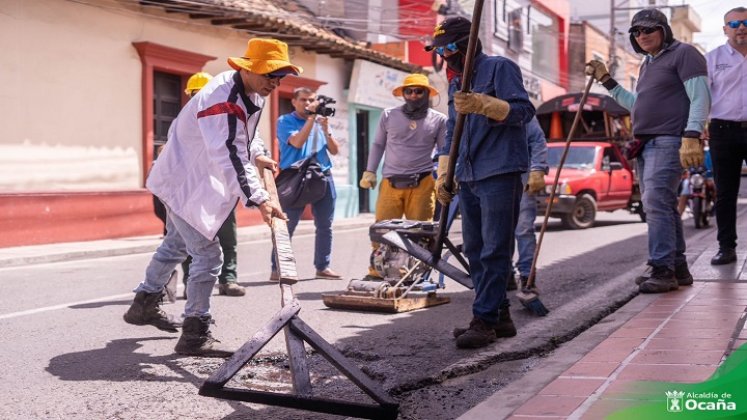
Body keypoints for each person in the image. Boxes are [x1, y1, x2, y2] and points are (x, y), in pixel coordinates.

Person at [123, 38, 296, 356]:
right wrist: (259, 198)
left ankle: (144, 303)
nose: (275, 82)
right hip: (183, 182)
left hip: (191, 180)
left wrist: (257, 155)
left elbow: (247, 134)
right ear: (249, 68)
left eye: (279, 77)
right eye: (270, 74)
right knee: (208, 254)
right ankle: (195, 333)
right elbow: (228, 153)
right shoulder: (224, 99)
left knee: (175, 244)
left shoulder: (248, 91)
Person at [426, 16, 536, 349]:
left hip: (500, 169)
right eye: (439, 50)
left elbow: (523, 111)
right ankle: (500, 314)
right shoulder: (455, 82)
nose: (444, 55)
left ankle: (484, 320)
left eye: (448, 48)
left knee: (494, 248)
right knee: (473, 248)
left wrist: (486, 104)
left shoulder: (500, 68)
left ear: (466, 44)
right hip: (469, 172)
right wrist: (446, 169)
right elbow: (451, 131)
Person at [586, 8, 710, 293]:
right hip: (646, 142)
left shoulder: (684, 53)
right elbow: (637, 104)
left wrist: (691, 134)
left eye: (648, 29)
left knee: (655, 204)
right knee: (663, 205)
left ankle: (662, 269)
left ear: (664, 30)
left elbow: (700, 95)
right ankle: (677, 268)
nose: (642, 36)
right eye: (637, 32)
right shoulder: (648, 64)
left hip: (668, 139)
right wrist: (607, 81)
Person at [359, 73, 447, 277]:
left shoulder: (440, 120)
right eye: (409, 91)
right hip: (390, 183)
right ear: (403, 94)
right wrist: (370, 171)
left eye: (419, 91)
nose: (414, 95)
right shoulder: (388, 115)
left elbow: (444, 152)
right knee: (383, 231)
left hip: (423, 183)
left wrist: (444, 178)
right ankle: (377, 271)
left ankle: (417, 273)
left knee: (420, 234)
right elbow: (378, 144)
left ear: (427, 94)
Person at [270, 87, 341, 281]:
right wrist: (311, 118)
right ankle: (278, 268)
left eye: (311, 100)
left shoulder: (319, 121)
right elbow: (297, 143)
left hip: (323, 174)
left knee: (325, 224)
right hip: (295, 176)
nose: (308, 103)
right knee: (287, 224)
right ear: (294, 101)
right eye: (303, 100)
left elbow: (335, 150)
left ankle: (323, 266)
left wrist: (326, 129)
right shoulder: (285, 121)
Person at [705, 7, 747, 265]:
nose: (741, 27)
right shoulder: (711, 59)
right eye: (734, 23)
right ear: (725, 29)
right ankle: (726, 248)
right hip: (722, 130)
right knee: (725, 194)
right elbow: (700, 97)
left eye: (745, 22)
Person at [512, 117, 548, 289]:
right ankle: (504, 274)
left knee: (524, 228)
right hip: (491, 175)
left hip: (521, 173)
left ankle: (527, 275)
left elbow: (537, 139)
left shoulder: (521, 107)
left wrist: (537, 169)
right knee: (496, 231)